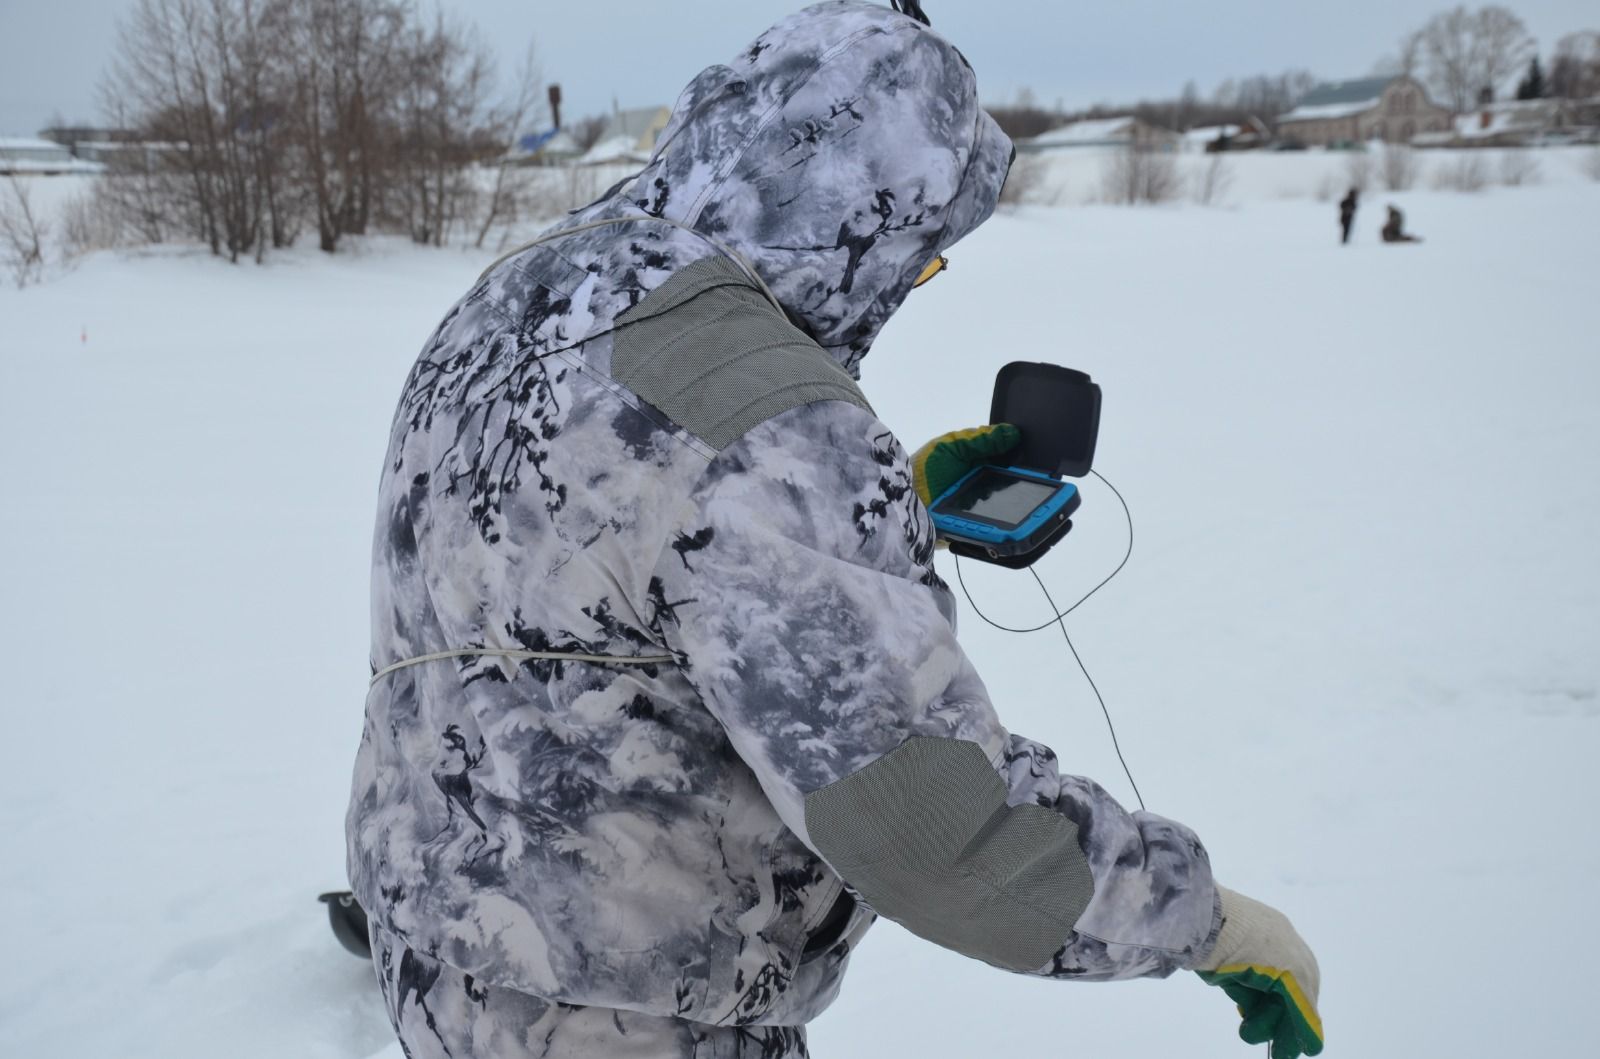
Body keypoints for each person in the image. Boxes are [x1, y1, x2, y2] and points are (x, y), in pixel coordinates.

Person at [344, 4, 1324, 1058]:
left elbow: (597, 572)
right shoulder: (770, 420)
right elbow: (932, 832)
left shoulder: (518, 299)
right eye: (923, 253)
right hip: (635, 1012)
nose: (909, 282)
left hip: (446, 961)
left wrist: (872, 509)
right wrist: (1208, 923)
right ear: (874, 214)